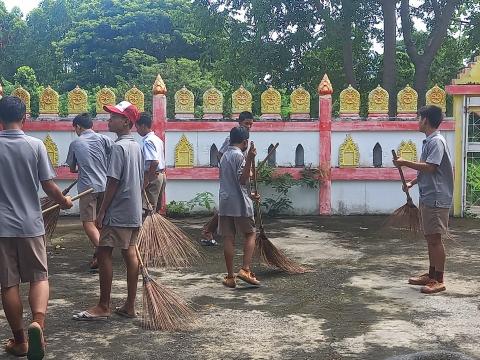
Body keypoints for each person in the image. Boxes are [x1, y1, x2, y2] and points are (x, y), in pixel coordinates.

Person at [0, 96, 73, 358]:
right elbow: (48, 185)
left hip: (2, 227)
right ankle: (38, 325)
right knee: (39, 277)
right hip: (31, 223)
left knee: (8, 285)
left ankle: (20, 341)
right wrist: (64, 201)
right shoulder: (35, 145)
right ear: (25, 118)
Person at [73, 101, 143, 320]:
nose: (109, 120)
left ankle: (104, 306)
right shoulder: (136, 146)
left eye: (113, 117)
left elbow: (112, 182)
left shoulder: (118, 147)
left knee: (103, 252)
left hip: (118, 210)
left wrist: (102, 212)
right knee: (130, 252)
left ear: (126, 122)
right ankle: (129, 305)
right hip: (132, 209)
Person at [393, 105, 454, 294]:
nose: (418, 122)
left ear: (426, 120)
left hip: (437, 198)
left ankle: (439, 279)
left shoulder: (436, 141)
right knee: (430, 238)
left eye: (419, 118)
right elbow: (425, 170)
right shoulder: (429, 142)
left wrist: (404, 162)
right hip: (428, 196)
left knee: (435, 239)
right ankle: (431, 274)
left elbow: (430, 167)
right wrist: (411, 183)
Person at [66, 113, 114, 270]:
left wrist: (82, 166)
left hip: (87, 188)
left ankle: (103, 253)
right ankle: (98, 256)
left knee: (88, 223)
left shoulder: (76, 143)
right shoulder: (105, 139)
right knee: (100, 222)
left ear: (78, 127)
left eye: (76, 129)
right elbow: (114, 158)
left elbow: (72, 169)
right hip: (106, 186)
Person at [201, 111, 255, 245]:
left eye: (251, 124)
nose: (249, 126)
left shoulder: (245, 140)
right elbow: (220, 154)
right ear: (239, 123)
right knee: (227, 209)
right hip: (232, 178)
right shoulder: (230, 140)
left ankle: (210, 230)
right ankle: (208, 230)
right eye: (246, 123)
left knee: (227, 209)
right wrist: (227, 170)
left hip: (240, 177)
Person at [219, 126, 260, 288]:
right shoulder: (239, 156)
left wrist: (251, 193)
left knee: (228, 238)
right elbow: (242, 180)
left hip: (225, 201)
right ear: (245, 142)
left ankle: (230, 277)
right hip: (240, 203)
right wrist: (249, 158)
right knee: (250, 234)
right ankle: (245, 269)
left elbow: (237, 181)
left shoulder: (224, 156)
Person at [134, 112, 166, 214]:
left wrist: (147, 179)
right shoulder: (157, 139)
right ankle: (153, 228)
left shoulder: (148, 141)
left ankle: (149, 229)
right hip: (161, 174)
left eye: (137, 127)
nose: (137, 130)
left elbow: (154, 161)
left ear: (143, 126)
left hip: (153, 175)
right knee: (154, 207)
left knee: (149, 207)